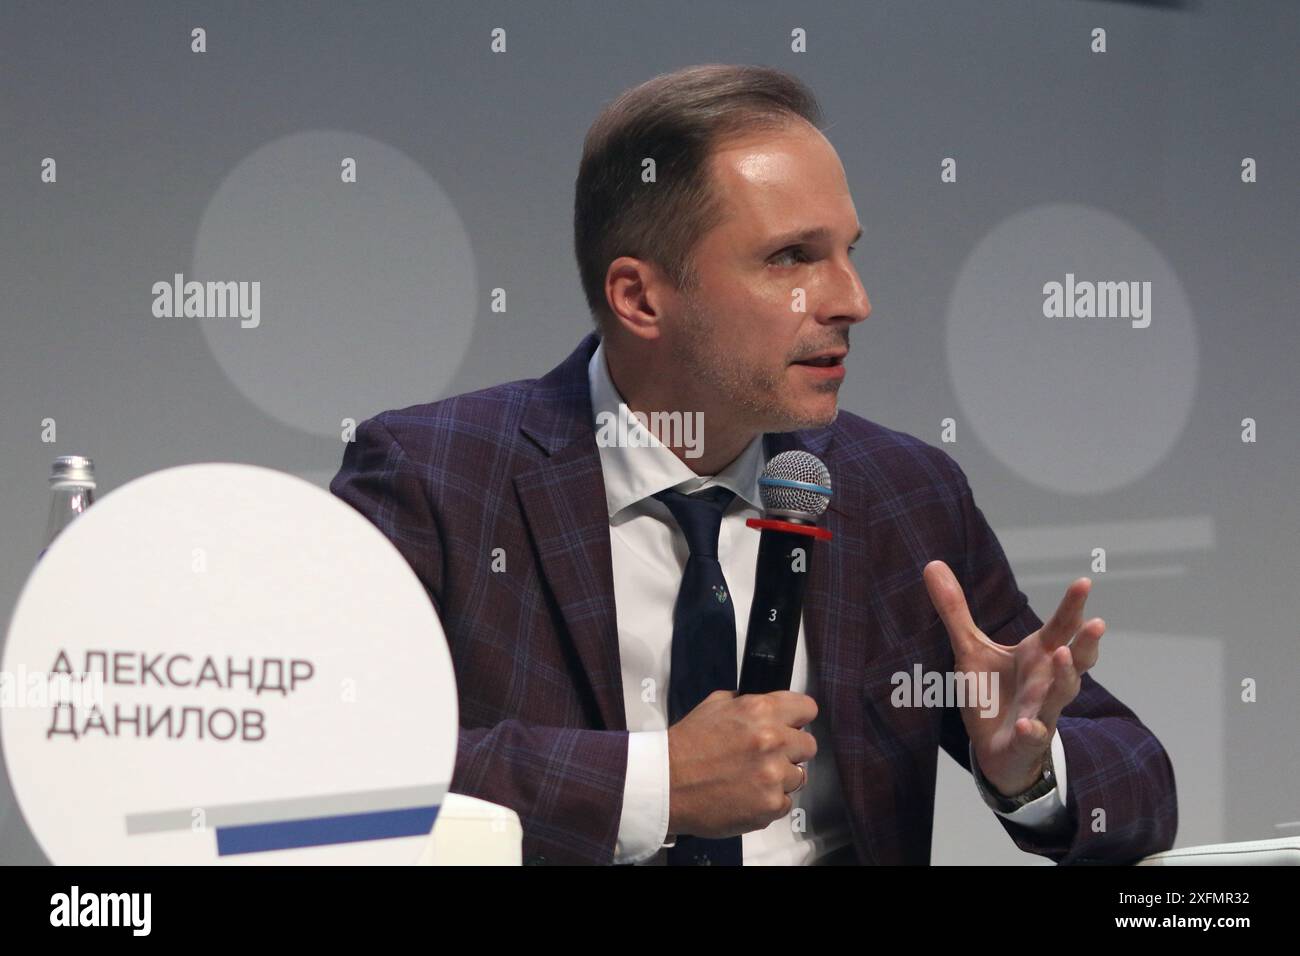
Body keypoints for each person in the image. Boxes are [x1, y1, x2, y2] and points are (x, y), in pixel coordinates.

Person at [330, 64, 1177, 865]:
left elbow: (1138, 784)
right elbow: (330, 767)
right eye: (793, 258)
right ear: (640, 298)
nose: (853, 300)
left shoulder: (901, 493)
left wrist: (1026, 767)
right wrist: (657, 786)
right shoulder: (433, 477)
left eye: (849, 250)